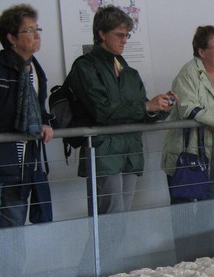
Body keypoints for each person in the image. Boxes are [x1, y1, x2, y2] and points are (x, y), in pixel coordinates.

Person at [69, 4, 174, 216]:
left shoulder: (129, 72)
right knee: (108, 220)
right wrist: (146, 106)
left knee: (121, 219)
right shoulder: (85, 66)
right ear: (101, 33)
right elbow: (102, 110)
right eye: (119, 35)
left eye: (126, 35)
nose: (124, 40)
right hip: (104, 153)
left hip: (129, 152)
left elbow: (141, 112)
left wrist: (161, 107)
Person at [161, 25, 214, 201]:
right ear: (201, 51)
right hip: (190, 150)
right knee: (185, 205)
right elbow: (190, 109)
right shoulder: (188, 73)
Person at [0, 3, 53, 229]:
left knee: (14, 232)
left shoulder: (35, 69)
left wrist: (44, 123)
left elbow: (38, 108)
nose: (36, 35)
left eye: (37, 29)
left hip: (22, 164)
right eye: (29, 30)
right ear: (12, 38)